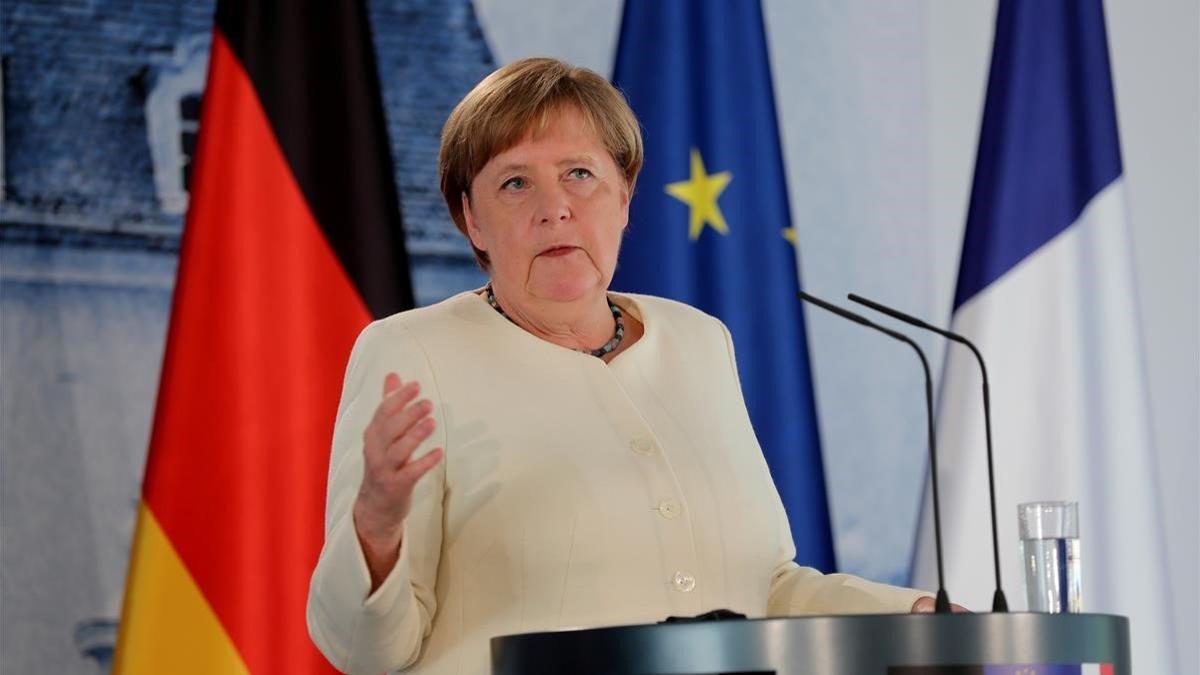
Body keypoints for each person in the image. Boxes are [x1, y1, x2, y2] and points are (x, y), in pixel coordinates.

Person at [306, 57, 937, 675]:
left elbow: (764, 588)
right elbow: (365, 654)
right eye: (515, 182)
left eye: (580, 173)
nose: (555, 208)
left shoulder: (698, 340)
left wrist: (917, 614)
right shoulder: (413, 352)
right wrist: (375, 531)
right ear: (472, 219)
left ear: (625, 196)